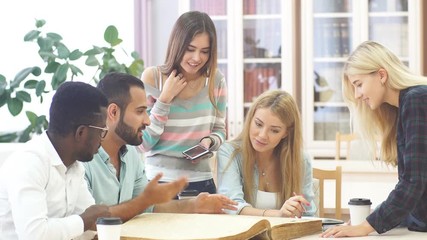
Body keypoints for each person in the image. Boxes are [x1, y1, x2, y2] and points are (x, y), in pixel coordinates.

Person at [0, 82, 187, 240]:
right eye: (101, 131)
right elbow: (34, 235)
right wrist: (85, 220)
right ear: (81, 132)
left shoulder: (74, 166)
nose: (102, 138)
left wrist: (146, 202)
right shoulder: (29, 163)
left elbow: (95, 222)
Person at [83, 72, 236, 214]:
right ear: (113, 112)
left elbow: (149, 207)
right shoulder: (83, 161)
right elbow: (89, 222)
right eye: (139, 111)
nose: (147, 120)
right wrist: (143, 202)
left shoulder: (130, 155)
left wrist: (194, 205)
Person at [321, 41, 427, 238]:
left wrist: (365, 227)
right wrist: (370, 220)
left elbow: (414, 182)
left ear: (381, 75)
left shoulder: (416, 99)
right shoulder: (403, 107)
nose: (357, 95)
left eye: (358, 85)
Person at [139, 11, 227, 194]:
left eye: (204, 52)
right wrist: (164, 99)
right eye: (190, 49)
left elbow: (220, 130)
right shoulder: (153, 78)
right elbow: (143, 142)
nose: (197, 58)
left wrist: (208, 142)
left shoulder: (215, 80)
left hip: (202, 183)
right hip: (158, 183)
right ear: (177, 45)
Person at [216, 90, 317, 217]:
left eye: (274, 130)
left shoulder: (300, 160)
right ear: (251, 118)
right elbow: (231, 207)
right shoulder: (229, 153)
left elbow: (308, 214)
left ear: (286, 133)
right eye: (258, 124)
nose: (262, 135)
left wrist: (299, 212)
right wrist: (278, 214)